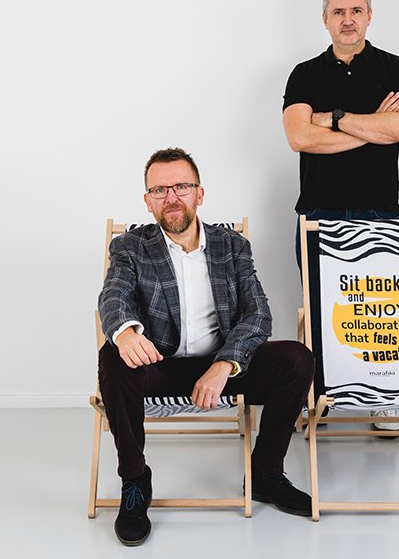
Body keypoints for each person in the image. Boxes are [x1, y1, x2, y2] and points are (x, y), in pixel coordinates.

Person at [97, 148, 315, 546]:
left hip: (221, 371)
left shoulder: (232, 245)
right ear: (147, 201)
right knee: (113, 355)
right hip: (160, 366)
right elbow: (114, 296)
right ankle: (134, 481)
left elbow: (258, 314)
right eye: (159, 190)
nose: (171, 197)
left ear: (199, 193)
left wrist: (224, 365)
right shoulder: (130, 247)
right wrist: (126, 333)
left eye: (181, 186)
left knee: (296, 359)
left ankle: (266, 474)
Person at [282, 0, 399, 432]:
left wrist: (333, 119)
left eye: (356, 11)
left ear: (369, 16)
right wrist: (372, 127)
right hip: (317, 212)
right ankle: (318, 397)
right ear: (325, 20)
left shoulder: (397, 68)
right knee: (322, 310)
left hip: (379, 208)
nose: (347, 20)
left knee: (381, 309)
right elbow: (298, 136)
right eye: (338, 12)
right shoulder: (304, 74)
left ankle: (384, 399)